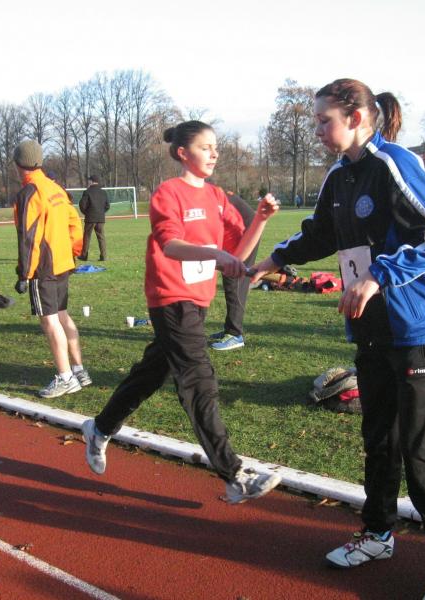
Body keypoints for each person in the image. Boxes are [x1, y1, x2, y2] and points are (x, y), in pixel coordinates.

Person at [252, 79, 425, 599]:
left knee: (422, 453)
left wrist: (379, 275)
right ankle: (377, 535)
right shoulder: (340, 175)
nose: (316, 130)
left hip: (420, 330)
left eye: (323, 120)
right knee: (379, 441)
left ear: (355, 118)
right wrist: (275, 259)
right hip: (373, 331)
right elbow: (322, 232)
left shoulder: (394, 163)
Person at [81, 120, 282, 505]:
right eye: (206, 147)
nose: (214, 153)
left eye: (215, 147)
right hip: (170, 297)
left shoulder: (217, 197)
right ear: (182, 153)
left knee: (152, 372)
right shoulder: (168, 193)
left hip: (198, 300)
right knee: (197, 378)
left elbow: (236, 257)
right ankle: (234, 475)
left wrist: (260, 219)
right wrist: (214, 253)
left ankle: (100, 428)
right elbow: (170, 246)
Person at [12, 140, 91, 398]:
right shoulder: (55, 188)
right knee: (63, 315)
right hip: (62, 262)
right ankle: (78, 370)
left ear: (17, 164)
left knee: (50, 320)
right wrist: (72, 252)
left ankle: (66, 377)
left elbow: (30, 238)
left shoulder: (30, 192)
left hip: (44, 267)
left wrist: (25, 272)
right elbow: (75, 224)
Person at [208, 191, 258, 351]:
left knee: (234, 281)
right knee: (230, 279)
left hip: (245, 230)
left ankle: (235, 334)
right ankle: (229, 329)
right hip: (235, 228)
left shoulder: (204, 198)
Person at [78, 174, 110, 261]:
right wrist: (101, 212)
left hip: (90, 218)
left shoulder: (87, 192)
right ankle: (103, 256)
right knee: (101, 237)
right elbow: (107, 206)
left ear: (91, 181)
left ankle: (84, 256)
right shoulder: (103, 192)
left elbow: (82, 205)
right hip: (100, 218)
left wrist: (87, 213)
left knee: (87, 237)